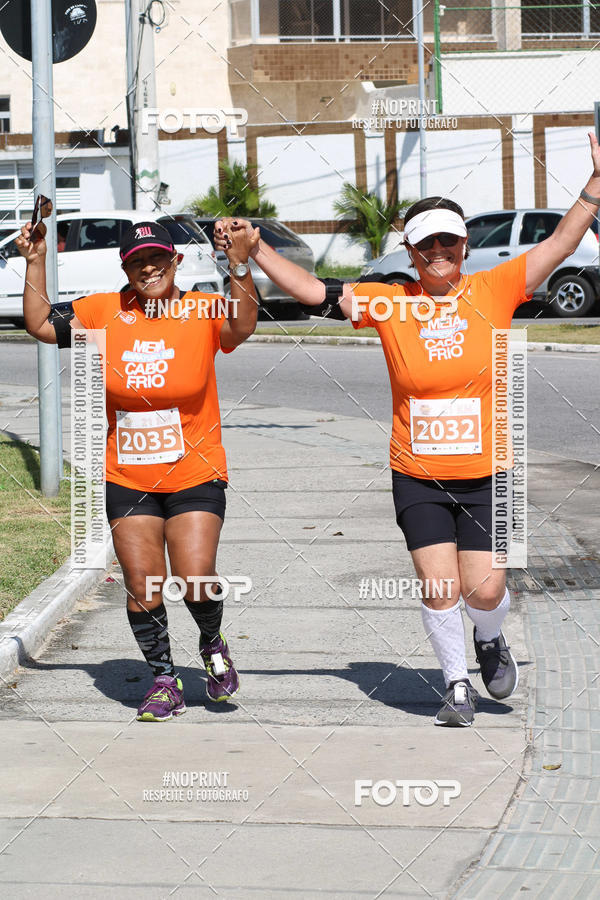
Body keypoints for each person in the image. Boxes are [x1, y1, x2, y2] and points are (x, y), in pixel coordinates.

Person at [214, 133, 600, 727]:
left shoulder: (496, 289)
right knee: (440, 585)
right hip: (417, 475)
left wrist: (595, 186)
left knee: (486, 591)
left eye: (449, 239)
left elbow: (562, 240)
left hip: (490, 474)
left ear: (466, 245)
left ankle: (491, 638)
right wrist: (258, 247)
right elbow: (317, 293)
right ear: (412, 252)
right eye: (427, 244)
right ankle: (456, 686)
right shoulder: (392, 301)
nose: (439, 251)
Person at [17, 217, 260, 721]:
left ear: (175, 261)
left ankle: (213, 644)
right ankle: (164, 680)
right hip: (127, 475)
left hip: (195, 470)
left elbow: (243, 324)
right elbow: (41, 325)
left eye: (157, 258)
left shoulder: (203, 308)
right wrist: (35, 261)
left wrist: (238, 263)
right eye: (137, 262)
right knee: (143, 584)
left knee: (194, 577)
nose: (148, 268)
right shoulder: (104, 310)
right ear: (126, 269)